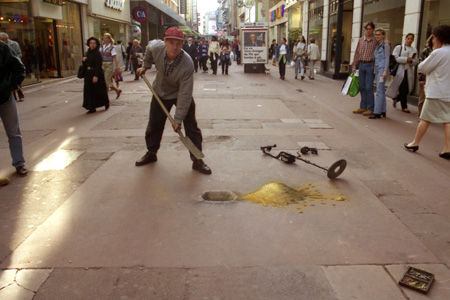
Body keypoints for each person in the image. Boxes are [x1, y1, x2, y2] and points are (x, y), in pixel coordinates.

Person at [135, 27, 211, 174]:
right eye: (172, 43)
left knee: (191, 127)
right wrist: (145, 65)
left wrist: (178, 119)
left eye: (179, 43)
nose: (175, 47)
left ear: (182, 44)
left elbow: (185, 93)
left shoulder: (187, 63)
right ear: (165, 42)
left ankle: (197, 160)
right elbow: (149, 48)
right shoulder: (157, 47)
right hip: (160, 92)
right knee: (154, 124)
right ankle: (151, 153)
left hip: (179, 93)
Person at [404, 25, 450, 160]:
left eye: (434, 37)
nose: (433, 40)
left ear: (439, 38)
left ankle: (415, 143)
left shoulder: (439, 53)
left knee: (425, 119)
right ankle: (448, 148)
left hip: (436, 91)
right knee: (448, 121)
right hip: (448, 92)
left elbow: (422, 67)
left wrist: (434, 52)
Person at [0, 40, 28, 176]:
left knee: (14, 132)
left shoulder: (3, 48)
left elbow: (19, 68)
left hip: (5, 97)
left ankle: (19, 163)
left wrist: (11, 86)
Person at [387, 33, 419, 113]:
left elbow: (416, 61)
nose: (410, 40)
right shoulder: (399, 47)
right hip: (400, 70)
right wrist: (405, 59)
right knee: (402, 88)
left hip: (409, 71)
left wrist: (411, 61)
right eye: (408, 38)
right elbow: (395, 58)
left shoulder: (414, 50)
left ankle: (396, 98)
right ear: (405, 38)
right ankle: (404, 107)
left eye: (412, 39)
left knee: (408, 89)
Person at [352, 22, 377, 116]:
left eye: (370, 29)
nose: (368, 31)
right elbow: (357, 53)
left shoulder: (375, 40)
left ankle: (370, 108)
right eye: (367, 29)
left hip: (370, 64)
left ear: (373, 30)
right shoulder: (361, 40)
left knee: (369, 87)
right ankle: (363, 107)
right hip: (361, 64)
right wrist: (354, 65)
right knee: (362, 86)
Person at [82, 37, 109, 114]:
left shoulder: (97, 53)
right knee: (89, 90)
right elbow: (86, 63)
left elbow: (98, 65)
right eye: (91, 43)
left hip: (96, 73)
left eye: (94, 43)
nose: (92, 45)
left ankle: (105, 103)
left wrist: (96, 75)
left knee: (99, 90)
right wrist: (84, 60)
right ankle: (91, 107)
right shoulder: (87, 52)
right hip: (88, 73)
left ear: (96, 44)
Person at [369, 28, 390, 119]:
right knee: (381, 91)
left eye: (379, 34)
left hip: (382, 71)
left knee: (379, 91)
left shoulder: (386, 46)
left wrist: (385, 71)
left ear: (383, 35)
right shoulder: (378, 46)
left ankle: (377, 112)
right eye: (376, 34)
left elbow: (387, 59)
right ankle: (383, 110)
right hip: (377, 70)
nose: (377, 36)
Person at [0, 32, 25, 102]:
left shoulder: (11, 45)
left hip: (12, 67)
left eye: (2, 39)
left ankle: (20, 95)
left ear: (6, 39)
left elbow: (18, 55)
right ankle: (15, 97)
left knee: (16, 85)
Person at [100, 33, 121, 99]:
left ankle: (105, 97)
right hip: (102, 64)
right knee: (105, 80)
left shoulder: (112, 47)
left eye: (106, 38)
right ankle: (117, 90)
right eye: (104, 37)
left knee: (107, 81)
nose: (105, 39)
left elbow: (115, 57)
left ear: (109, 39)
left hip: (109, 64)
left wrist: (117, 67)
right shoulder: (102, 46)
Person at [418, 35, 434, 117]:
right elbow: (421, 65)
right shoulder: (426, 51)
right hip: (426, 77)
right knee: (423, 97)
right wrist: (421, 79)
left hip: (435, 79)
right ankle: (420, 115)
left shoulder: (440, 51)